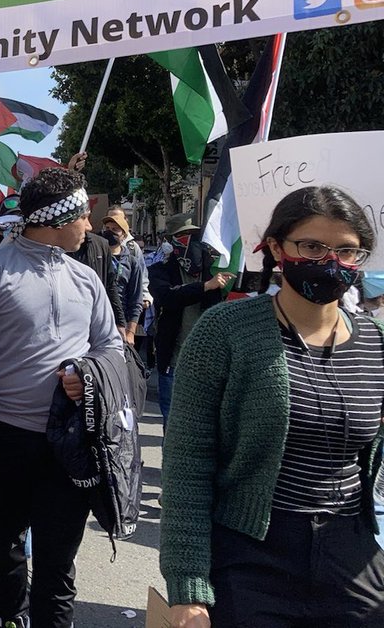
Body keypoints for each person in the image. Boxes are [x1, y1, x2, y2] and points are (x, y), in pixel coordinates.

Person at [161, 186, 384, 627]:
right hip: (252, 558)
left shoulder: (375, 342)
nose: (330, 262)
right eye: (312, 247)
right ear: (277, 248)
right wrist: (188, 588)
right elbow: (187, 465)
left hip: (351, 554)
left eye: (346, 251)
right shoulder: (225, 331)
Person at [0, 167, 124, 628]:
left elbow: (111, 348)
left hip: (70, 441)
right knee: (7, 546)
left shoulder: (86, 279)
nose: (89, 225)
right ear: (58, 219)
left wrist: (87, 373)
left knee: (58, 560)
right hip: (2, 439)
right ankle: (12, 618)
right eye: (82, 216)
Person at [148, 213, 232, 421]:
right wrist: (205, 286)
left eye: (194, 235)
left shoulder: (213, 268)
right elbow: (168, 297)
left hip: (207, 362)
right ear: (171, 241)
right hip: (174, 359)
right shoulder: (161, 270)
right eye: (183, 235)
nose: (191, 241)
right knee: (173, 418)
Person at [103, 208, 148, 345]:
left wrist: (130, 333)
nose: (110, 232)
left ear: (123, 234)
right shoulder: (95, 256)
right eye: (107, 228)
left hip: (121, 325)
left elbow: (136, 299)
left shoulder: (132, 261)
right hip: (98, 323)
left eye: (115, 229)